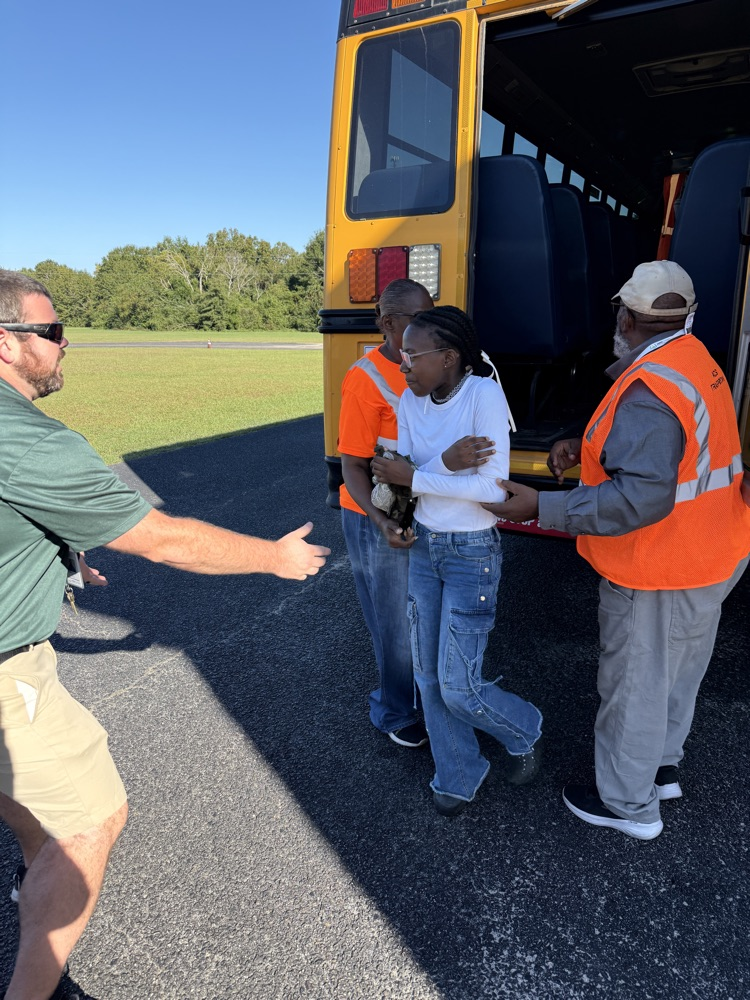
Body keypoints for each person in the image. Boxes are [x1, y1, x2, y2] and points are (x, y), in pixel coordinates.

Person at [0, 270, 330, 1000]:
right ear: (7, 344)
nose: (64, 344)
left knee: (30, 802)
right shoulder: (28, 440)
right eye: (52, 331)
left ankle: (31, 880)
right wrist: (273, 557)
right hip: (6, 671)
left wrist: (53, 549)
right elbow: (163, 539)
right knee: (91, 821)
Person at [485, 261, 750, 840]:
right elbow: (667, 451)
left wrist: (541, 507)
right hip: (713, 548)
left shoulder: (650, 387)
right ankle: (660, 769)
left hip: (662, 563)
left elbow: (641, 498)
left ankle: (629, 806)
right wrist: (584, 446)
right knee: (675, 673)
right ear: (686, 315)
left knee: (635, 685)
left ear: (625, 317)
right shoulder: (693, 360)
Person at [371, 306, 543, 816]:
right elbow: (398, 473)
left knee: (459, 686)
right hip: (425, 545)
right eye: (402, 355)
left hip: (471, 553)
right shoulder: (410, 399)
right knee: (428, 677)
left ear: (448, 357)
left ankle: (524, 727)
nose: (403, 364)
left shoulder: (483, 395)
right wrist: (440, 468)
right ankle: (458, 772)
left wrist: (416, 477)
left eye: (413, 355)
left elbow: (491, 490)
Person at [338, 279, 435, 748]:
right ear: (389, 323)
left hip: (418, 508)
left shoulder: (428, 364)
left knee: (423, 611)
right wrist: (383, 523)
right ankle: (396, 711)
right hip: (376, 515)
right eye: (418, 319)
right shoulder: (366, 377)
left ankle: (427, 699)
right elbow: (353, 465)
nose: (428, 326)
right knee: (393, 621)